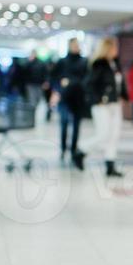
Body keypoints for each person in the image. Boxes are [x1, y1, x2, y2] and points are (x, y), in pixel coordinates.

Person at [85, 36, 129, 178]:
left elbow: (119, 83)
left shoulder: (115, 64)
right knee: (103, 134)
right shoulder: (99, 64)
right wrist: (98, 99)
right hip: (101, 105)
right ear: (108, 48)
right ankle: (80, 150)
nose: (117, 50)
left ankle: (110, 166)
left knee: (114, 136)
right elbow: (89, 84)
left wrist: (124, 96)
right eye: (114, 47)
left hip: (115, 104)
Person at [51, 37, 90, 169]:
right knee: (64, 123)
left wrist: (72, 82)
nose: (75, 47)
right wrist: (58, 88)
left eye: (77, 44)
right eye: (73, 44)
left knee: (76, 126)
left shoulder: (84, 61)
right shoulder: (62, 61)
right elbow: (54, 77)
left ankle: (74, 150)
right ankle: (63, 148)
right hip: (65, 97)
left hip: (78, 98)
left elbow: (86, 79)